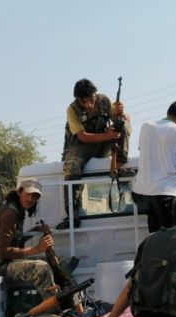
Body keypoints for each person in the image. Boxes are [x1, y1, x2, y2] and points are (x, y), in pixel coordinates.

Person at [0, 179, 80, 311]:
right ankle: (55, 313)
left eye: (35, 196)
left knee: (60, 264)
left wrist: (35, 231)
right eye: (28, 194)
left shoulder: (19, 211)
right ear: (20, 192)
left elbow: (13, 242)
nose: (31, 198)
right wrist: (37, 249)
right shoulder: (10, 213)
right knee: (41, 269)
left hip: (4, 262)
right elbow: (4, 252)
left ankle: (76, 307)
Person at [57, 78, 133, 229]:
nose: (89, 104)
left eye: (91, 100)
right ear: (78, 99)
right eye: (84, 102)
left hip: (103, 143)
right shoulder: (72, 110)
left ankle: (119, 165)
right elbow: (82, 136)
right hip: (81, 146)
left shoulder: (103, 100)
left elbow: (115, 118)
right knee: (72, 166)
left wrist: (120, 112)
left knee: (123, 122)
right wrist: (107, 136)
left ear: (95, 94)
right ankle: (73, 215)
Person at [132, 100, 176, 233]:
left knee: (156, 236)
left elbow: (147, 154)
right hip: (163, 193)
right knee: (171, 237)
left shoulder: (146, 126)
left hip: (140, 194)